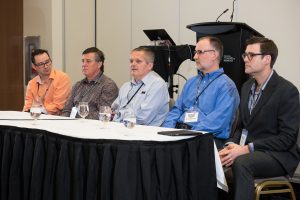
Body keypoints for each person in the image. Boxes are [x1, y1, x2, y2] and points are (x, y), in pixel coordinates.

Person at [219, 36, 300, 200]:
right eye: (244, 55)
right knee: (215, 154)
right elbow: (242, 127)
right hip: (250, 150)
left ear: (267, 59)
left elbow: (287, 138)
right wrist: (231, 145)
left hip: (278, 155)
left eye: (251, 55)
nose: (245, 60)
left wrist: (247, 149)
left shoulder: (287, 90)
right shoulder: (246, 86)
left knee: (242, 163)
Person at [162, 36, 240, 148]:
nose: (194, 57)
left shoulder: (226, 86)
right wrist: (166, 131)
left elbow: (217, 122)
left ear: (214, 55)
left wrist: (188, 134)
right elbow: (177, 110)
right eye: (195, 52)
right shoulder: (191, 82)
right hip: (180, 135)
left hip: (206, 139)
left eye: (199, 52)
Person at [112, 46, 169, 126]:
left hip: (145, 134)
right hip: (121, 129)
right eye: (131, 61)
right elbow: (113, 110)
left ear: (149, 66)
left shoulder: (157, 85)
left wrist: (119, 114)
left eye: (138, 61)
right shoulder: (126, 86)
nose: (133, 64)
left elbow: (143, 119)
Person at [61, 47, 118, 120]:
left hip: (93, 128)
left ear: (99, 64)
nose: (84, 64)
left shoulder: (108, 85)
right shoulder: (77, 85)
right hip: (71, 126)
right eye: (83, 61)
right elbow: (66, 110)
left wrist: (78, 120)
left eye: (88, 61)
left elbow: (103, 115)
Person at [23, 49, 71, 115]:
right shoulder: (32, 83)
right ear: (34, 67)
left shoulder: (62, 78)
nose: (46, 66)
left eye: (47, 62)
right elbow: (27, 107)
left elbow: (58, 106)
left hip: (55, 120)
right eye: (41, 64)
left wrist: (37, 111)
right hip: (35, 118)